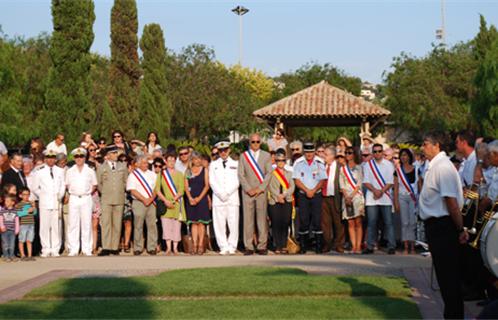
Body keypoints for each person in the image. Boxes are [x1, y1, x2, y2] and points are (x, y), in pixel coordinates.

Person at [419, 131, 466, 319]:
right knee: (444, 276)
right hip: (436, 225)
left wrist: (460, 228)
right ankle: (451, 313)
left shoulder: (443, 167)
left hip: (443, 225)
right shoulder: (434, 166)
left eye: (425, 144)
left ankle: (454, 315)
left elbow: (451, 203)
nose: (423, 148)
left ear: (436, 145)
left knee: (449, 277)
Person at [238, 133, 272, 255]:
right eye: (253, 142)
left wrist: (260, 188)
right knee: (248, 219)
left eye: (258, 142)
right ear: (249, 143)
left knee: (262, 219)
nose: (255, 144)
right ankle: (249, 246)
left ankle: (262, 245)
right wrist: (248, 189)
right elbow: (240, 174)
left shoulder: (266, 155)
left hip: (261, 192)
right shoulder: (243, 156)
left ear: (260, 143)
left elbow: (269, 174)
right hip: (247, 192)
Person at [293, 142, 327, 254]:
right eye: (307, 152)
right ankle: (304, 246)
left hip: (316, 195)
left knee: (317, 221)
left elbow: (322, 180)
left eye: (311, 152)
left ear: (314, 152)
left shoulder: (319, 163)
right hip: (303, 195)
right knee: (304, 221)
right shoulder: (299, 164)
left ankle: (318, 247)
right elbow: (297, 180)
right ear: (304, 152)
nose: (309, 154)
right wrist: (307, 190)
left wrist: (313, 191)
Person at [31, 150, 65, 257]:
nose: (50, 160)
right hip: (45, 202)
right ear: (45, 159)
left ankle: (55, 249)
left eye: (52, 158)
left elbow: (63, 185)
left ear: (55, 159)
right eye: (48, 158)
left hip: (56, 201)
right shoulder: (39, 171)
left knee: (56, 227)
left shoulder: (60, 171)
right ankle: (45, 248)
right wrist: (43, 195)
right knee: (44, 227)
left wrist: (60, 194)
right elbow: (35, 187)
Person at [362, 143, 396, 254]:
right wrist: (375, 191)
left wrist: (381, 191)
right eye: (375, 151)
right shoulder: (368, 165)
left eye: (379, 151)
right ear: (372, 153)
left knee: (388, 222)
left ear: (382, 152)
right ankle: (370, 246)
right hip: (372, 197)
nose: (377, 153)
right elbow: (366, 182)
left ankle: (391, 246)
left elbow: (391, 182)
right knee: (371, 223)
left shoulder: (389, 165)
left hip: (385, 196)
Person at [65, 148, 98, 257]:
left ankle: (86, 248)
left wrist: (87, 192)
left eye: (81, 156)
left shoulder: (90, 170)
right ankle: (73, 249)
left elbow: (94, 185)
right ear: (74, 158)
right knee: (73, 224)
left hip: (86, 197)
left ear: (85, 157)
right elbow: (67, 185)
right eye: (77, 157)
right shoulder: (69, 171)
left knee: (86, 223)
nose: (79, 159)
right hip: (74, 197)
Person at [209, 141, 240, 255]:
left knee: (233, 223)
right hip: (218, 198)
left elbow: (238, 180)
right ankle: (223, 246)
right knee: (219, 224)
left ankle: (232, 246)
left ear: (229, 150)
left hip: (232, 197)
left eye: (225, 150)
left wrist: (227, 193)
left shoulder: (236, 164)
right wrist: (220, 194)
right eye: (221, 151)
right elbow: (212, 181)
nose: (223, 152)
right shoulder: (213, 164)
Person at [96, 145, 128, 256]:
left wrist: (119, 191)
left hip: (119, 198)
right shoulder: (101, 167)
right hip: (106, 198)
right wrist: (105, 192)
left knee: (117, 223)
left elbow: (125, 182)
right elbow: (99, 183)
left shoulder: (123, 166)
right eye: (114, 153)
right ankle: (106, 247)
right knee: (106, 223)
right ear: (108, 155)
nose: (116, 155)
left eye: (116, 153)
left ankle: (114, 247)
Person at [126, 155, 158, 255]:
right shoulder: (133, 175)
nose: (146, 164)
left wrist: (151, 199)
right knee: (138, 226)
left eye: (147, 162)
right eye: (144, 163)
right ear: (138, 164)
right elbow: (132, 190)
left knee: (152, 225)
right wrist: (144, 199)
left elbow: (156, 189)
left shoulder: (153, 174)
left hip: (151, 202)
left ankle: (151, 247)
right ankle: (138, 248)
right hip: (139, 202)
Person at [156, 150, 185, 255]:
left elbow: (182, 190)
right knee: (166, 225)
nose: (171, 162)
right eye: (169, 160)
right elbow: (157, 190)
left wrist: (173, 200)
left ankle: (175, 248)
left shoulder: (180, 174)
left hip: (177, 203)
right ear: (165, 161)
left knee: (176, 226)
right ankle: (168, 248)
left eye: (173, 160)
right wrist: (166, 201)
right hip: (165, 202)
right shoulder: (161, 174)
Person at [267, 150, 294, 254]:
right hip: (275, 200)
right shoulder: (271, 174)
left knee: (286, 222)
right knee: (276, 223)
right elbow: (269, 186)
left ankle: (284, 245)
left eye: (282, 160)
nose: (280, 162)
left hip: (286, 199)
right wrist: (277, 196)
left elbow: (292, 186)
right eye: (278, 160)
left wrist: (284, 194)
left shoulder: (290, 173)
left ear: (285, 161)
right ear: (276, 161)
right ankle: (277, 245)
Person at [339, 146, 365, 254]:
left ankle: (358, 246)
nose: (348, 155)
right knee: (350, 222)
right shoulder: (342, 169)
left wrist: (352, 195)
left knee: (358, 222)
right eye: (346, 153)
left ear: (354, 154)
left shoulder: (359, 168)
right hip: (346, 197)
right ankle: (353, 246)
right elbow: (341, 184)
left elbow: (359, 184)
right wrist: (347, 196)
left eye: (350, 153)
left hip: (357, 196)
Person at [393, 148, 419, 254]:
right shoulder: (397, 171)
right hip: (402, 197)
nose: (404, 157)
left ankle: (413, 246)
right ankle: (406, 246)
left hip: (413, 197)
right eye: (402, 155)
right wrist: (396, 202)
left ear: (409, 157)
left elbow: (419, 185)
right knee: (404, 222)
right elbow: (396, 187)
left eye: (406, 155)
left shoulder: (416, 169)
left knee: (413, 222)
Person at [184, 151, 211, 255]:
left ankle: (200, 245)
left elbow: (206, 186)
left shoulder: (205, 170)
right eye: (195, 159)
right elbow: (186, 186)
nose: (198, 161)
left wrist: (199, 198)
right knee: (194, 223)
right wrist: (190, 198)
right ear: (192, 160)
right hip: (190, 200)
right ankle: (194, 245)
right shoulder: (188, 171)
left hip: (202, 199)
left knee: (201, 223)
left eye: (199, 158)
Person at [321, 146, 343, 253]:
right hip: (323, 197)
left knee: (338, 222)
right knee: (325, 223)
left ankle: (339, 244)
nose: (323, 156)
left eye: (326, 154)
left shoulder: (340, 167)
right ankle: (327, 244)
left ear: (332, 156)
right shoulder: (321, 166)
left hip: (335, 197)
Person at [16, 187, 37, 261]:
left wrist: (34, 207)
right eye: (24, 194)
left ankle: (29, 255)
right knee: (22, 240)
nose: (26, 196)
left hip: (31, 224)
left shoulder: (30, 203)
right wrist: (27, 211)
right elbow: (18, 214)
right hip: (23, 224)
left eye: (28, 194)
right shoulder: (19, 204)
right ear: (20, 195)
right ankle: (22, 255)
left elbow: (35, 213)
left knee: (29, 240)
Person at [0, 195, 20, 262]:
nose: (6, 202)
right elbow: (1, 219)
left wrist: (17, 229)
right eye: (5, 201)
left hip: (12, 231)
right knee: (5, 244)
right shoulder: (2, 211)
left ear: (12, 202)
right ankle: (6, 256)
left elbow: (17, 221)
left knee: (12, 244)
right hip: (4, 231)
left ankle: (12, 255)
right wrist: (2, 227)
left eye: (8, 201)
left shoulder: (15, 211)